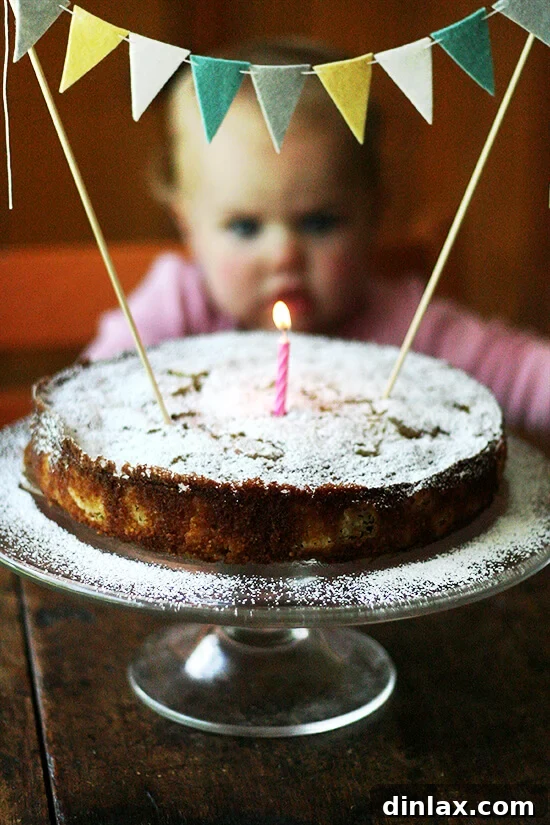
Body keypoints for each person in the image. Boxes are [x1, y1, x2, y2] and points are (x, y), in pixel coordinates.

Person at [86, 39, 550, 440]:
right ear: (188, 227)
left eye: (320, 223)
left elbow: (529, 375)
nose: (284, 254)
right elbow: (90, 397)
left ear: (374, 214)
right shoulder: (177, 307)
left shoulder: (406, 329)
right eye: (246, 227)